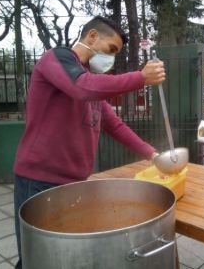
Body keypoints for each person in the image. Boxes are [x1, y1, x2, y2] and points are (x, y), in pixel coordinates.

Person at [13, 16, 165, 268]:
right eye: (111, 50)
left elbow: (114, 125)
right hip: (39, 181)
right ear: (92, 36)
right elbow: (81, 88)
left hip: (74, 183)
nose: (111, 59)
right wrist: (140, 78)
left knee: (63, 257)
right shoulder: (58, 59)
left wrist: (153, 155)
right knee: (36, 259)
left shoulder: (89, 80)